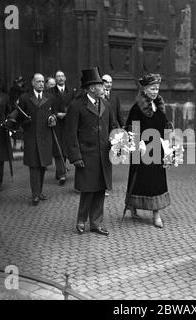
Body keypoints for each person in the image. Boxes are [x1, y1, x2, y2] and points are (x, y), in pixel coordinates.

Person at [66, 67, 117, 236]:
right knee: (87, 190)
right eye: (100, 85)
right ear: (91, 88)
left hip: (104, 156)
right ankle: (81, 220)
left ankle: (96, 223)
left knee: (100, 189)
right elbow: (70, 133)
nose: (104, 87)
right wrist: (75, 157)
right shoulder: (76, 106)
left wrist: (118, 141)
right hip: (86, 156)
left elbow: (113, 127)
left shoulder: (106, 105)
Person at [124, 73, 173, 228]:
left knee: (156, 182)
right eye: (152, 88)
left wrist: (168, 148)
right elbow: (131, 131)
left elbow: (165, 127)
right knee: (138, 180)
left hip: (157, 151)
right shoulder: (136, 109)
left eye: (157, 88)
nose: (155, 91)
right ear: (144, 89)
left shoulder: (159, 107)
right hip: (143, 152)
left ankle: (156, 214)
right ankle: (132, 205)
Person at [9, 73, 57, 206]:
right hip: (31, 137)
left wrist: (53, 119)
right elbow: (18, 116)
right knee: (34, 166)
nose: (41, 84)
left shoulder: (50, 98)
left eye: (42, 81)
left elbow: (54, 113)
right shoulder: (25, 98)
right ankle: (35, 194)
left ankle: (39, 191)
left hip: (46, 137)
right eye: (38, 81)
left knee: (42, 166)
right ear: (33, 83)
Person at [48, 70, 75, 185]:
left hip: (68, 124)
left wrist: (68, 114)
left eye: (62, 76)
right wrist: (55, 114)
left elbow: (74, 106)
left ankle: (60, 171)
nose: (60, 78)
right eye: (58, 76)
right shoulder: (49, 92)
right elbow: (48, 106)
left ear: (65, 78)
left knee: (65, 149)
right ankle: (62, 174)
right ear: (56, 78)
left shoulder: (71, 92)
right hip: (57, 124)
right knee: (58, 148)